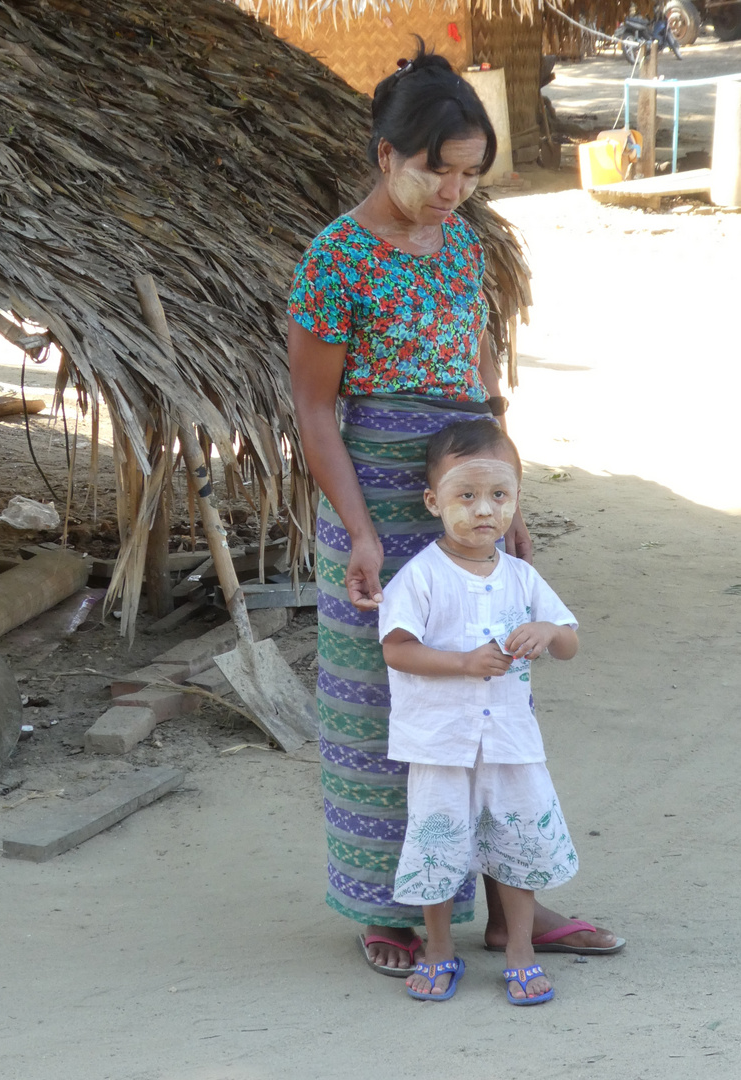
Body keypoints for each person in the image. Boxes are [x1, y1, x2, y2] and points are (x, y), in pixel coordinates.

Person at [287, 40, 623, 976]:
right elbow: (316, 407)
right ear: (386, 154)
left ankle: (513, 906)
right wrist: (360, 531)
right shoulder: (334, 257)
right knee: (387, 712)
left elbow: (480, 383)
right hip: (376, 503)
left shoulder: (464, 246)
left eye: (471, 176)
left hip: (465, 491)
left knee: (493, 702)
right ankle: (394, 912)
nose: (454, 193)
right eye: (439, 173)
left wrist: (502, 491)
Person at [380, 419, 579, 1003]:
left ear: (516, 501)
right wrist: (465, 664)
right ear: (432, 501)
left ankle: (520, 950)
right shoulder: (420, 576)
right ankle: (440, 949)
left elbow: (570, 640)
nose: (483, 510)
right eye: (465, 496)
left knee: (517, 842)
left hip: (512, 745)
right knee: (437, 846)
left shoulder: (522, 577)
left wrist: (547, 630)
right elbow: (396, 648)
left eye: (499, 495)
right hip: (440, 744)